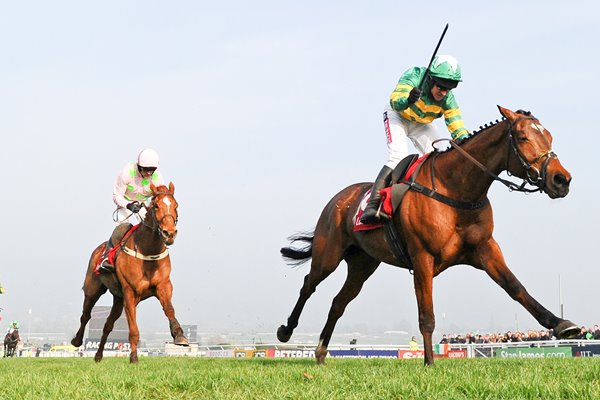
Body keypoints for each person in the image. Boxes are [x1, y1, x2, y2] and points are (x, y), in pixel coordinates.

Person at [360, 55, 470, 224]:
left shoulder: (448, 98)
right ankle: (372, 205)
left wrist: (465, 140)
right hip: (398, 115)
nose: (443, 92)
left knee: (441, 153)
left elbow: (456, 124)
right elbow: (396, 102)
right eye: (440, 86)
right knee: (398, 155)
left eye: (449, 88)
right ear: (431, 79)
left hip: (420, 123)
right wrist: (409, 99)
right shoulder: (415, 75)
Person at [99, 149, 165, 272]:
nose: (149, 173)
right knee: (121, 228)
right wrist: (128, 205)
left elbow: (159, 199)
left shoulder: (157, 178)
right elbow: (116, 196)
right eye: (146, 169)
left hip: (143, 205)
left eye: (152, 169)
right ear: (139, 166)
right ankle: (106, 258)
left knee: (154, 228)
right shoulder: (127, 172)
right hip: (125, 203)